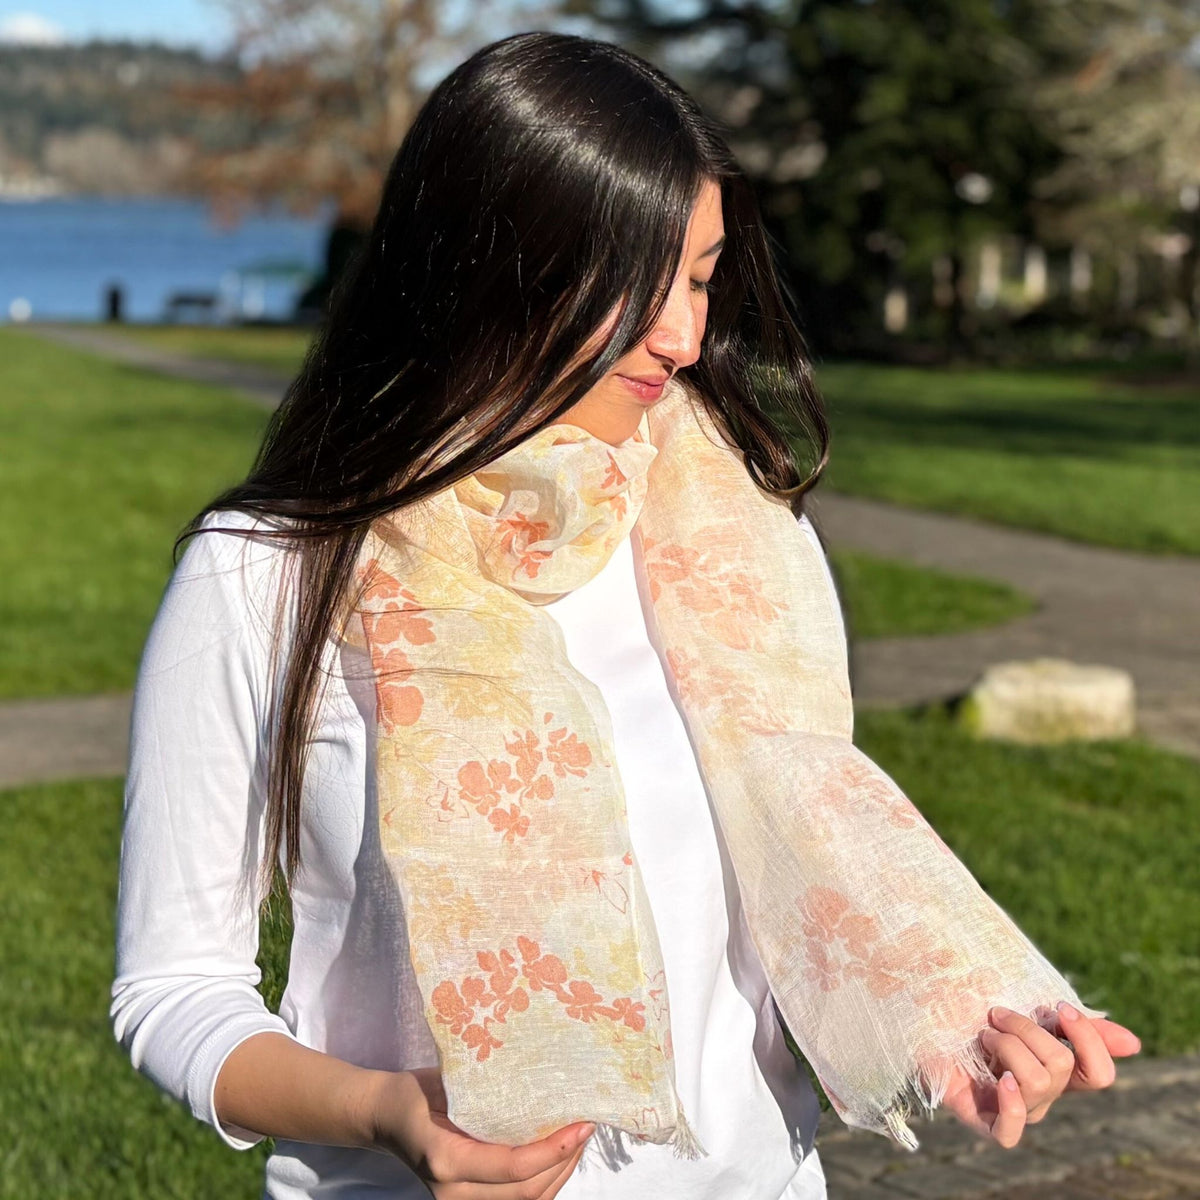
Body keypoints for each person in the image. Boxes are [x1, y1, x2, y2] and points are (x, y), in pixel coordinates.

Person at [111, 31, 1139, 1200]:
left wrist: (952, 1000)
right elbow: (171, 990)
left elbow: (808, 842)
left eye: (700, 277)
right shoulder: (268, 574)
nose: (686, 337)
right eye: (636, 282)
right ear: (493, 267)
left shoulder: (732, 540)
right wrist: (391, 1112)